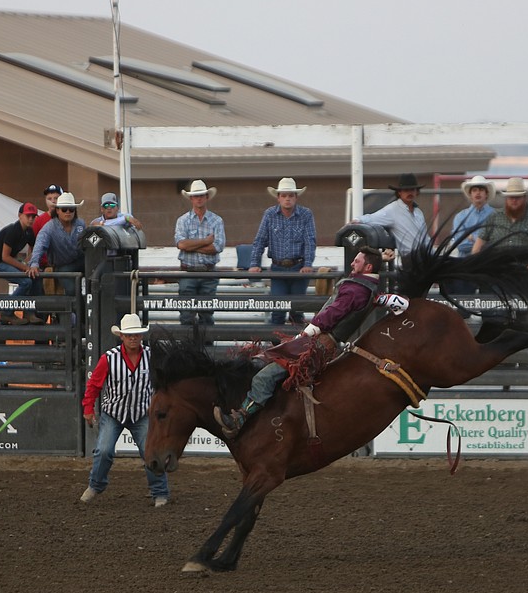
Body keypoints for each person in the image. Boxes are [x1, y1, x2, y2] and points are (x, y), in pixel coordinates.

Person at [214, 247, 409, 438]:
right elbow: (400, 303)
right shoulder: (370, 290)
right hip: (326, 344)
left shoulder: (355, 289)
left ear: (367, 268)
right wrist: (381, 260)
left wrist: (306, 334)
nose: (352, 263)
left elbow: (331, 315)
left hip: (317, 342)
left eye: (357, 261)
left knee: (264, 376)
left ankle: (240, 418)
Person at [80, 313, 170, 507]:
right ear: (121, 336)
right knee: (103, 450)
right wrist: (88, 407)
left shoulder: (152, 357)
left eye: (136, 335)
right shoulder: (108, 359)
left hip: (142, 413)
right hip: (114, 412)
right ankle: (96, 485)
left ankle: (160, 492)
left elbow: (163, 382)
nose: (133, 338)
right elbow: (94, 385)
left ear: (141, 336)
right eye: (129, 335)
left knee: (151, 452)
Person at [248, 177, 317, 325]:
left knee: (297, 311)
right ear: (278, 198)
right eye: (284, 196)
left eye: (291, 195)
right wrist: (254, 263)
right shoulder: (270, 214)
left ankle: (297, 346)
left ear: (296, 197)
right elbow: (260, 240)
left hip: (299, 267)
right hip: (278, 268)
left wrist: (308, 263)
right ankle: (276, 345)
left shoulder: (306, 214)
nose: (287, 199)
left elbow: (310, 241)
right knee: (277, 309)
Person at [174, 179, 226, 326]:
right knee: (186, 315)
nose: (199, 198)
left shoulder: (216, 220)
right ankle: (187, 348)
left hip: (208, 273)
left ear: (207, 197)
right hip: (188, 272)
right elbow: (181, 244)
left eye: (201, 195)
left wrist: (192, 245)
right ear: (191, 198)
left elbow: (217, 247)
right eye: (196, 196)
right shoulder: (182, 220)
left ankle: (207, 348)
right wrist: (205, 241)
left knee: (206, 314)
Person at [434, 175, 496, 295]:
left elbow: (494, 242)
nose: (478, 193)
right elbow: (461, 245)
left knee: (491, 305)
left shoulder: (496, 215)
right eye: (474, 190)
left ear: (486, 194)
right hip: (466, 266)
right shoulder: (460, 217)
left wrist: (471, 237)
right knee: (463, 302)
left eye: (481, 189)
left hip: (489, 266)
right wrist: (482, 241)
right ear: (470, 194)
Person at [471, 177, 528, 265]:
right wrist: (476, 263)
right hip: (498, 270)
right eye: (511, 197)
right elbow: (478, 245)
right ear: (506, 199)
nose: (514, 200)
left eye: (517, 197)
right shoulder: (494, 216)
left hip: (525, 271)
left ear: (524, 198)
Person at [353, 173, 430, 260]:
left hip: (425, 256)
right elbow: (372, 217)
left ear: (417, 192)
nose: (409, 193)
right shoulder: (392, 210)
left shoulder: (418, 213)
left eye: (412, 190)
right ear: (399, 192)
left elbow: (425, 237)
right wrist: (357, 220)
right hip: (411, 259)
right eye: (406, 190)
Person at [0, 202, 43, 324]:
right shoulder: (13, 230)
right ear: (20, 215)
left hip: (7, 261)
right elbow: (5, 257)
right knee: (26, 281)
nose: (31, 219)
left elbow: (34, 248)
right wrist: (24, 267)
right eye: (28, 216)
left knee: (32, 277)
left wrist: (29, 262)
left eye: (33, 216)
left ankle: (29, 312)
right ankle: (7, 313)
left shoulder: (29, 232)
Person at [27, 191, 86, 299]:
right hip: (62, 266)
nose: (68, 212)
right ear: (58, 210)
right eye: (64, 209)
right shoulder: (49, 228)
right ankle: (76, 313)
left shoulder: (81, 224)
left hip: (82, 261)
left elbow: (89, 242)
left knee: (99, 280)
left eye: (71, 209)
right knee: (73, 290)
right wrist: (34, 263)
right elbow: (40, 245)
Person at [31, 183, 63, 269]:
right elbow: (33, 244)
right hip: (44, 265)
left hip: (64, 263)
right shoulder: (39, 220)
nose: (53, 201)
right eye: (49, 198)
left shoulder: (68, 218)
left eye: (56, 198)